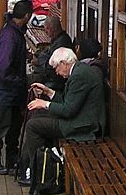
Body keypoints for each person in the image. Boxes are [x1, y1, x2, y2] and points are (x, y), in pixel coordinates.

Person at [19, 47, 106, 184]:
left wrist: (45, 104)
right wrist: (48, 92)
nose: (56, 72)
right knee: (37, 116)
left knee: (33, 125)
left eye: (56, 68)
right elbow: (68, 101)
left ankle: (36, 172)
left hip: (83, 125)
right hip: (80, 119)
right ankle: (31, 166)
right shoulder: (79, 71)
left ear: (64, 63)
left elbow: (68, 110)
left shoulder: (79, 76)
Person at [0, 0, 33, 175]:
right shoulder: (10, 36)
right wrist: (19, 81)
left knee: (14, 126)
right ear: (27, 16)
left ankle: (12, 159)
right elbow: (3, 65)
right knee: (1, 126)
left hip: (10, 90)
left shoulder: (13, 32)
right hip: (5, 91)